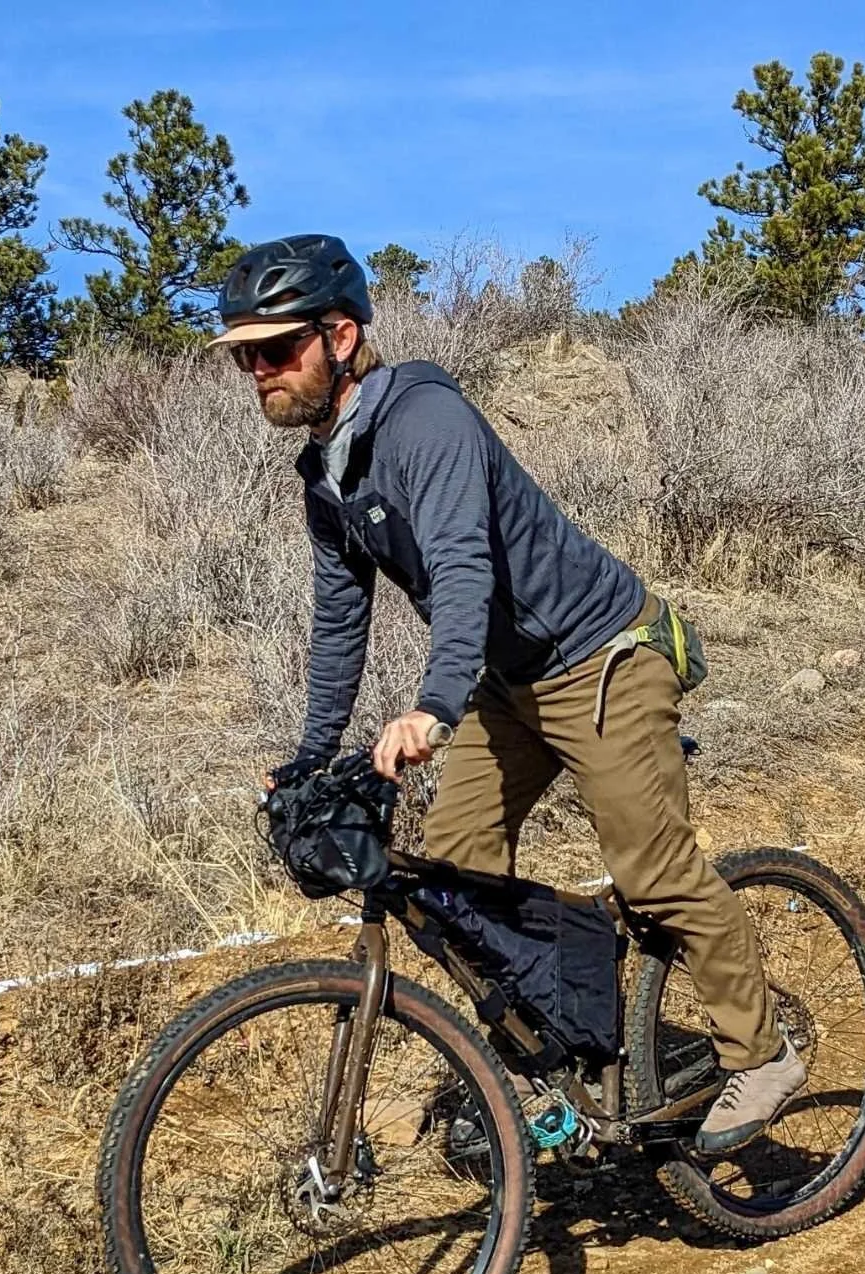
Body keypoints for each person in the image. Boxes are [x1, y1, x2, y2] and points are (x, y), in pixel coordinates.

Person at [213, 234, 800, 1155]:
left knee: (651, 872)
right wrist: (309, 755)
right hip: (511, 680)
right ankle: (551, 1064)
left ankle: (760, 1051)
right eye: (246, 355)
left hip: (602, 655)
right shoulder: (325, 470)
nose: (259, 371)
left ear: (339, 334)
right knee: (453, 869)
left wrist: (435, 706)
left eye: (276, 349)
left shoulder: (424, 421)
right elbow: (340, 623)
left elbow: (461, 567)